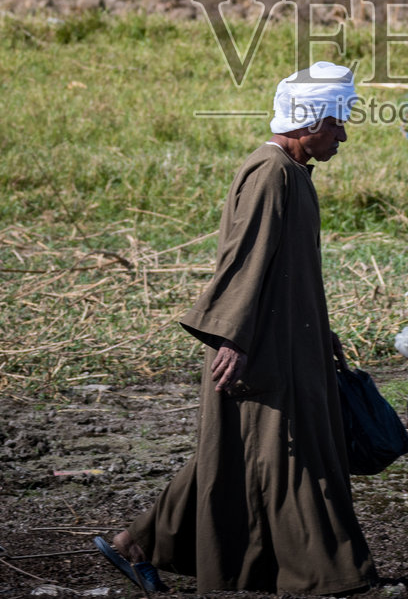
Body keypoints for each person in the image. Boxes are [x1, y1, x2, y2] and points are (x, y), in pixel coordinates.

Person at [97, 62, 380, 597]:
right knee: (289, 457)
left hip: (290, 346)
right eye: (337, 123)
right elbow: (242, 261)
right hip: (260, 351)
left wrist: (321, 331)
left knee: (235, 455)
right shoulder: (270, 173)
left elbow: (288, 270)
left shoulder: (295, 175)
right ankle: (329, 574)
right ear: (310, 120)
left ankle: (136, 545)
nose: (343, 134)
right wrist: (232, 337)